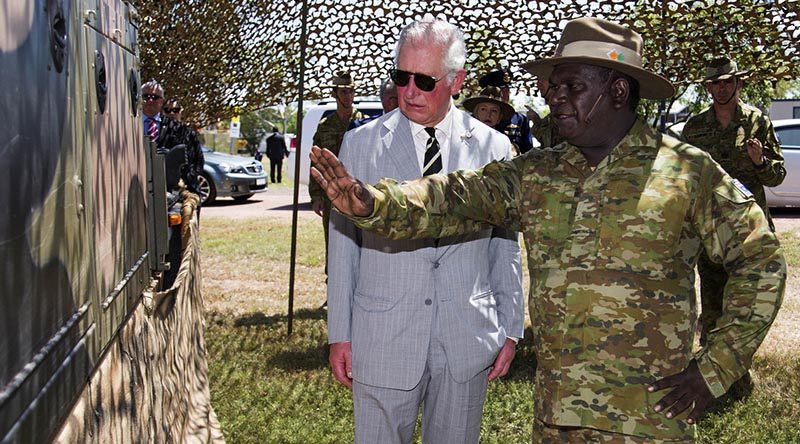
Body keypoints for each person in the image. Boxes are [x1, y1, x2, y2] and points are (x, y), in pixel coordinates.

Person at [310, 17, 786, 443]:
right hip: (558, 420)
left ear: (617, 91)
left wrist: (715, 368)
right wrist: (373, 202)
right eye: (552, 86)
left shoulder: (686, 172)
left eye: (570, 86)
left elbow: (761, 261)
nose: (551, 96)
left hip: (650, 422)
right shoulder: (538, 174)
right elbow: (450, 197)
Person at [325, 16, 524, 444]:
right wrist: (339, 333)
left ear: (457, 80)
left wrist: (510, 326)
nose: (410, 91)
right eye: (401, 77)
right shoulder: (360, 143)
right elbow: (343, 247)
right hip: (382, 334)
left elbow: (505, 246)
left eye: (424, 80)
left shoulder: (495, 148)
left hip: (466, 336)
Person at [681, 57, 786, 360]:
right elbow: (685, 177)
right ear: (708, 88)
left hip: (748, 230)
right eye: (716, 83)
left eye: (728, 81)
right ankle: (710, 363)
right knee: (713, 297)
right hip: (710, 227)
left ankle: (739, 362)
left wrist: (760, 162)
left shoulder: (758, 123)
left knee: (749, 298)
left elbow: (777, 176)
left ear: (739, 83)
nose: (722, 88)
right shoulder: (695, 127)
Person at [308, 71, 364, 280]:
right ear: (335, 94)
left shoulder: (364, 123)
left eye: (351, 91)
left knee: (360, 241)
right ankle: (333, 286)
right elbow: (316, 162)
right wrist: (315, 196)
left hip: (359, 194)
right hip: (332, 196)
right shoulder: (325, 128)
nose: (348, 96)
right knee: (333, 241)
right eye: (343, 92)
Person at [142, 80, 204, 197]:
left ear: (162, 101)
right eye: (146, 96)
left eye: (155, 97)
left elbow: (194, 163)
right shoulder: (126, 127)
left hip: (171, 193)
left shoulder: (180, 130)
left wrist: (172, 161)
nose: (150, 100)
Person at [478, 67, 534, 154]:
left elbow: (528, 151)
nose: (505, 95)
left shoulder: (519, 119)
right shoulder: (474, 118)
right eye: (501, 91)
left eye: (507, 91)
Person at [461, 86, 516, 151]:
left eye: (494, 111)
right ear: (475, 113)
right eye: (483, 109)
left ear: (499, 117)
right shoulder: (462, 138)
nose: (488, 115)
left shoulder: (504, 143)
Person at [528, 76, 565, 148]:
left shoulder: (570, 114)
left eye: (542, 79)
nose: (538, 84)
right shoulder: (552, 116)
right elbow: (547, 143)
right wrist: (536, 122)